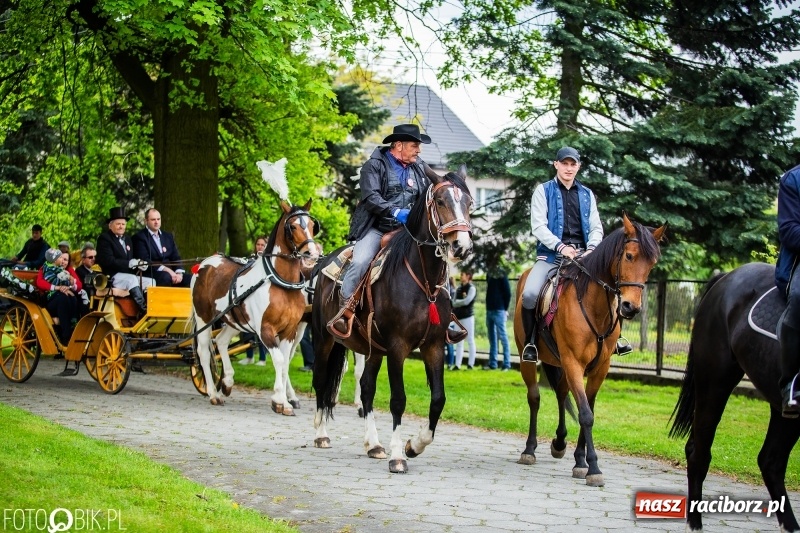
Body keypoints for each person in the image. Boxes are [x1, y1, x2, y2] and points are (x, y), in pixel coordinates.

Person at [327, 123, 433, 339]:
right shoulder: (373, 166)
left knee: (436, 258)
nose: (418, 150)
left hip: (408, 231)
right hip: (377, 228)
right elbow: (371, 197)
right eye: (415, 145)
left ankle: (446, 314)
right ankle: (344, 309)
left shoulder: (419, 167)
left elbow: (430, 191)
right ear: (399, 145)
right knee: (360, 261)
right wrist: (395, 211)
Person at [520, 146, 612, 364]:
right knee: (530, 294)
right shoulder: (543, 191)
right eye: (565, 163)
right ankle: (531, 343)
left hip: (584, 257)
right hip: (551, 257)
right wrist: (561, 247)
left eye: (573, 164)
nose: (569, 168)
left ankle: (614, 340)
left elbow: (596, 227)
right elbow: (538, 227)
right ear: (556, 164)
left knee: (611, 290)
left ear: (578, 167)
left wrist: (591, 249)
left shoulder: (587, 194)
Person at [96, 206, 155, 312]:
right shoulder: (104, 238)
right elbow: (108, 260)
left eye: (123, 224)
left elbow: (132, 259)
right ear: (110, 225)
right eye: (118, 224)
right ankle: (144, 310)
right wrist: (129, 263)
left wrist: (139, 264)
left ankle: (154, 308)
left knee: (151, 282)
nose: (121, 227)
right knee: (132, 280)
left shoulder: (128, 239)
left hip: (128, 275)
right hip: (112, 275)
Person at [776, 162, 800, 418]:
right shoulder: (793, 180)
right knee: (799, 296)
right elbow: (789, 230)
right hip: (798, 262)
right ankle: (790, 385)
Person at [132, 208, 191, 287]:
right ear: (146, 221)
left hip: (171, 272)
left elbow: (176, 257)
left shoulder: (168, 236)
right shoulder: (139, 237)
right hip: (152, 272)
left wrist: (179, 273)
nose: (156, 222)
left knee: (189, 279)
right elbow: (145, 260)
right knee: (166, 277)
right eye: (153, 220)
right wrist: (169, 271)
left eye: (158, 219)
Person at [35, 248, 82, 347]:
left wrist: (68, 287)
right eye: (61, 258)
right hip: (50, 298)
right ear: (55, 260)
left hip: (63, 295)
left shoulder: (66, 270)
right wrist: (58, 287)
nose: (63, 261)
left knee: (72, 297)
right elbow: (41, 282)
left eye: (65, 259)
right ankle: (66, 335)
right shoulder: (46, 268)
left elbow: (77, 284)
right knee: (63, 298)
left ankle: (74, 323)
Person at [240, 236, 269, 366]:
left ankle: (262, 359)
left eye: (263, 245)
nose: (260, 247)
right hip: (248, 299)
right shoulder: (250, 260)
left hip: (262, 300)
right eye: (258, 244)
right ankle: (249, 356)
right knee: (246, 328)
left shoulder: (268, 263)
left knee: (261, 330)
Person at [483, 265, 512, 371]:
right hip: (489, 310)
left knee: (503, 337)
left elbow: (508, 292)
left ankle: (506, 364)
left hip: (499, 310)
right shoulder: (489, 273)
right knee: (492, 338)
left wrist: (505, 309)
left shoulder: (502, 273)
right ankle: (493, 363)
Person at [452, 271, 477, 370]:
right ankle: (457, 364)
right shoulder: (458, 288)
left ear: (468, 276)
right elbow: (453, 303)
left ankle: (471, 364)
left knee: (470, 340)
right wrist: (459, 302)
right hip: (458, 318)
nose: (460, 276)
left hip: (468, 317)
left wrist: (458, 302)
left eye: (462, 274)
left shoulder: (472, 288)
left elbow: (467, 301)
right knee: (459, 341)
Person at [445, 276, 456, 370]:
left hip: (449, 318)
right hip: (446, 317)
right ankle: (448, 362)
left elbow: (452, 304)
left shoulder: (450, 291)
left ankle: (450, 362)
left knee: (449, 343)